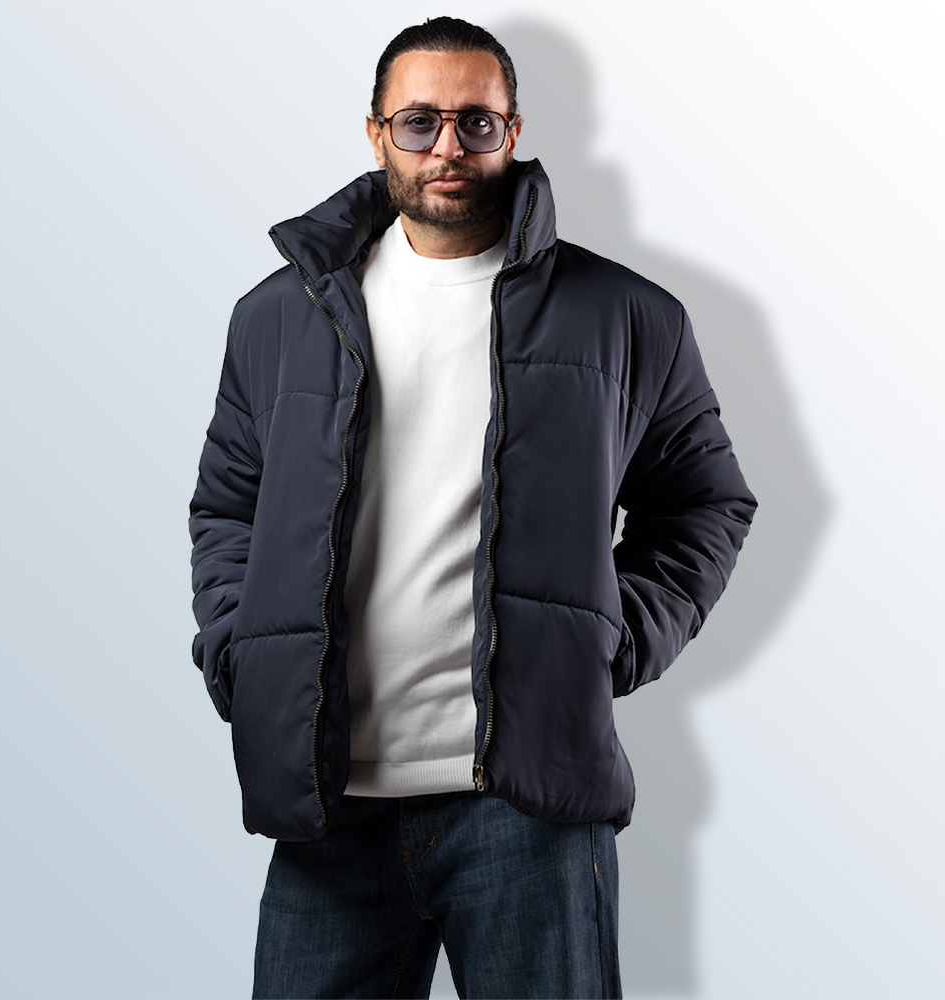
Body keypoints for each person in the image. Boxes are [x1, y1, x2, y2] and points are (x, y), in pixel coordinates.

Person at [189, 16, 756, 1000]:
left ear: (513, 131)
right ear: (376, 133)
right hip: (328, 805)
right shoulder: (278, 316)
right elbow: (228, 507)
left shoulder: (625, 316)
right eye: (419, 122)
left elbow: (705, 501)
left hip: (527, 805)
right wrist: (241, 649)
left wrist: (614, 638)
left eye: (475, 122)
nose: (446, 146)